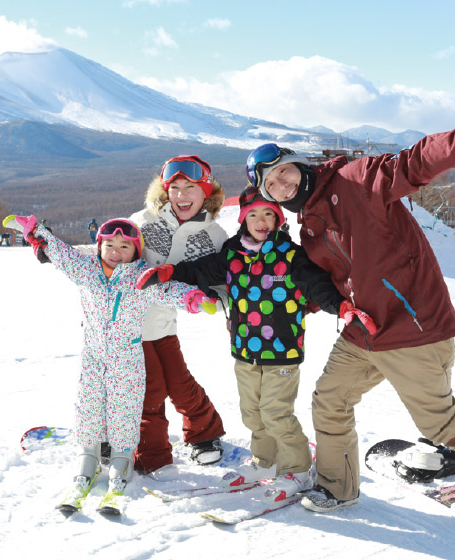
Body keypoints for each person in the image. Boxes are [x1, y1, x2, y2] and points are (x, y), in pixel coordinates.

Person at [245, 91, 455, 526]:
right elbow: (327, 280)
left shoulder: (355, 178)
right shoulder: (307, 224)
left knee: (441, 423)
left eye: (284, 171)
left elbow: (413, 164)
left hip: (412, 325)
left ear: (297, 164)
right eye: (271, 184)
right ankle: (337, 485)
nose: (282, 183)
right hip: (364, 330)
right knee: (330, 401)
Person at [137, 187, 376, 503]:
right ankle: (266, 461)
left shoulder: (291, 256)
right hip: (245, 349)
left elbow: (317, 287)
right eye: (253, 214)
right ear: (243, 219)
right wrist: (169, 272)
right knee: (252, 413)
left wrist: (342, 307)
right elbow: (199, 270)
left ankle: (298, 468)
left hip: (282, 351)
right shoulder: (232, 254)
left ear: (277, 219)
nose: (260, 220)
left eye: (268, 214)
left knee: (276, 412)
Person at [7, 215, 210, 507]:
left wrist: (192, 297)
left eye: (125, 246)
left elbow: (168, 289)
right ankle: (87, 457)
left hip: (127, 359)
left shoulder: (142, 277)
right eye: (110, 244)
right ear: (99, 246)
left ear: (136, 251)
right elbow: (62, 255)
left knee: (124, 410)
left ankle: (121, 459)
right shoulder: (87, 270)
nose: (116, 251)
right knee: (88, 406)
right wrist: (36, 231)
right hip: (93, 357)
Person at [128, 155, 228, 473]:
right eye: (175, 187)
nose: (182, 195)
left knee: (180, 384)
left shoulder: (215, 236)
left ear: (206, 193)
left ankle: (204, 434)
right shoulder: (144, 221)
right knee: (150, 388)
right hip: (129, 323)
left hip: (163, 324)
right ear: (164, 190)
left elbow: (224, 279)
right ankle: (151, 450)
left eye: (191, 187)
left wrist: (218, 302)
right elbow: (111, 252)